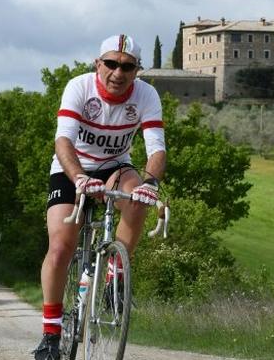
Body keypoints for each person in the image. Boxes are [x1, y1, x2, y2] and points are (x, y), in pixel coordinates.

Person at [33, 34, 166, 360]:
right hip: (71, 167)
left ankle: (114, 279)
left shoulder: (147, 95)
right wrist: (78, 176)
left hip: (115, 167)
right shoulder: (79, 86)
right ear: (98, 64)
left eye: (127, 66)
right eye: (110, 64)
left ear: (137, 70)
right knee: (62, 246)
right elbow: (63, 141)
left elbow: (157, 148)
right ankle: (51, 334)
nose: (118, 73)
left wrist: (151, 183)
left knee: (138, 199)